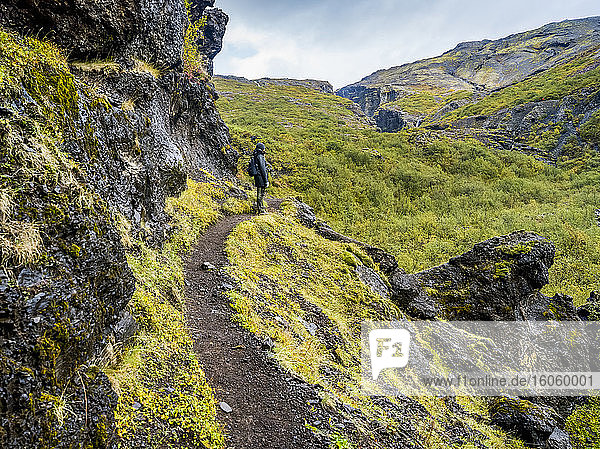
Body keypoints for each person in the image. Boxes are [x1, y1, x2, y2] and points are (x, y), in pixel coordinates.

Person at [252, 142, 269, 214]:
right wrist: (266, 180)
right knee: (261, 193)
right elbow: (263, 169)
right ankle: (260, 209)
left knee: (259, 193)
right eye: (263, 148)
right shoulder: (260, 156)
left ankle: (260, 208)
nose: (264, 150)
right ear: (261, 149)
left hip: (257, 177)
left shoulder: (255, 155)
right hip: (260, 177)